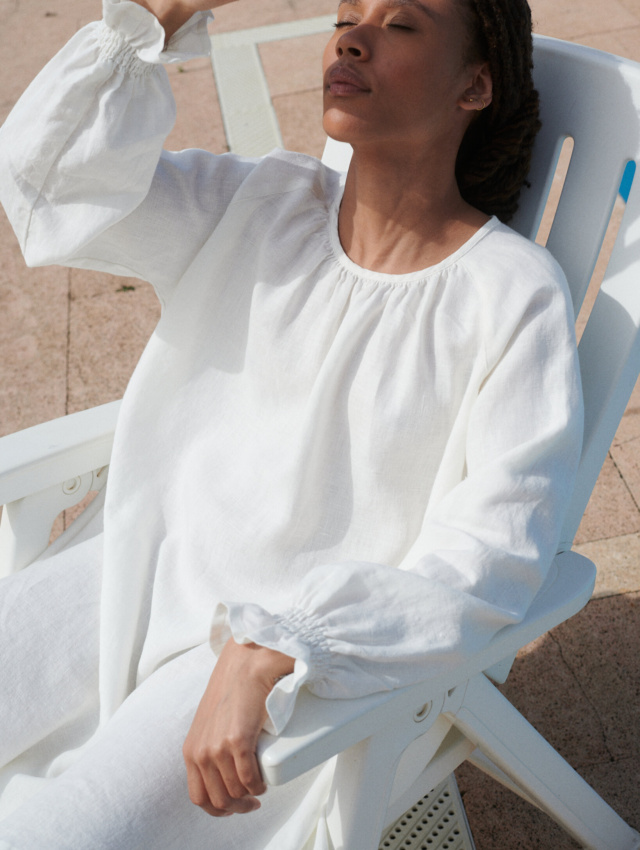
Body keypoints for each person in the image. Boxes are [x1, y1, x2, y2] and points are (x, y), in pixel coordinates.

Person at [0, 0, 583, 846]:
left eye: (402, 25)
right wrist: (152, 24)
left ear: (476, 84)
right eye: (348, 16)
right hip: (129, 569)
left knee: (61, 831)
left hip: (271, 653)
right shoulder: (264, 199)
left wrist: (283, 644)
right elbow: (51, 191)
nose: (352, 37)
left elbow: (493, 553)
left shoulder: (509, 294)